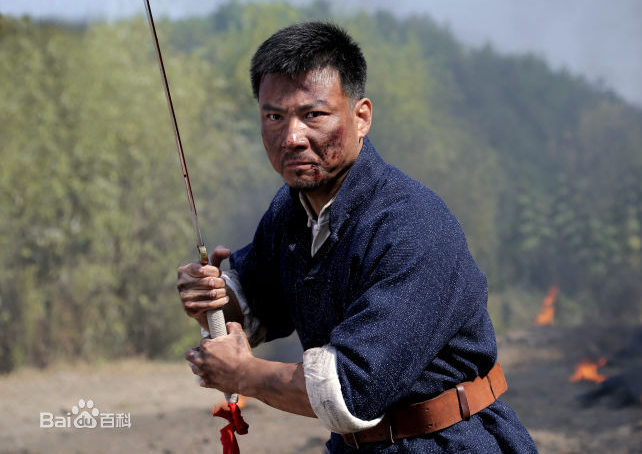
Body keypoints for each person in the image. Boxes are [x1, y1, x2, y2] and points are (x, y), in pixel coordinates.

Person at [177, 22, 537, 452]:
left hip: (450, 442)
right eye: (274, 116)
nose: (291, 137)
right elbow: (256, 299)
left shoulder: (413, 225)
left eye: (313, 115)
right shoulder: (291, 209)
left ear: (361, 116)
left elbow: (352, 387)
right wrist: (212, 296)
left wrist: (244, 374)